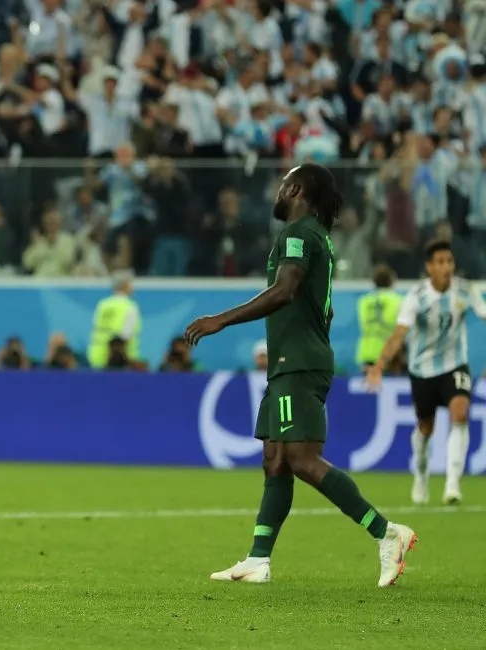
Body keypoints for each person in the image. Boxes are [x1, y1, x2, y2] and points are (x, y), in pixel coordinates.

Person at [184, 163, 416, 588]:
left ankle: (386, 533)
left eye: (281, 184)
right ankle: (257, 560)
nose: (276, 191)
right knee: (275, 460)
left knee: (301, 460)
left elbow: (286, 289)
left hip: (298, 364)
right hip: (291, 362)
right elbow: (320, 307)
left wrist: (222, 319)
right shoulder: (317, 238)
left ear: (294, 189)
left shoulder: (297, 234)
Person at [366, 239, 486, 505]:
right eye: (440, 262)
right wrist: (379, 366)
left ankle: (452, 483)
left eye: (449, 261)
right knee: (425, 427)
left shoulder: (465, 291)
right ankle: (421, 474)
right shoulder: (417, 297)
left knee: (460, 413)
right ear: (429, 267)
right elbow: (399, 334)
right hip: (423, 371)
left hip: (455, 364)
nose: (446, 267)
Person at [86, 271, 141, 369]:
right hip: (120, 359)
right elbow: (126, 334)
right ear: (124, 286)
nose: (132, 288)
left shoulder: (103, 305)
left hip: (96, 356)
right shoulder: (129, 307)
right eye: (130, 284)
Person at [355, 264, 402, 371]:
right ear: (391, 281)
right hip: (390, 354)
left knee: (369, 386)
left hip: (367, 352)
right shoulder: (397, 300)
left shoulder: (364, 301)